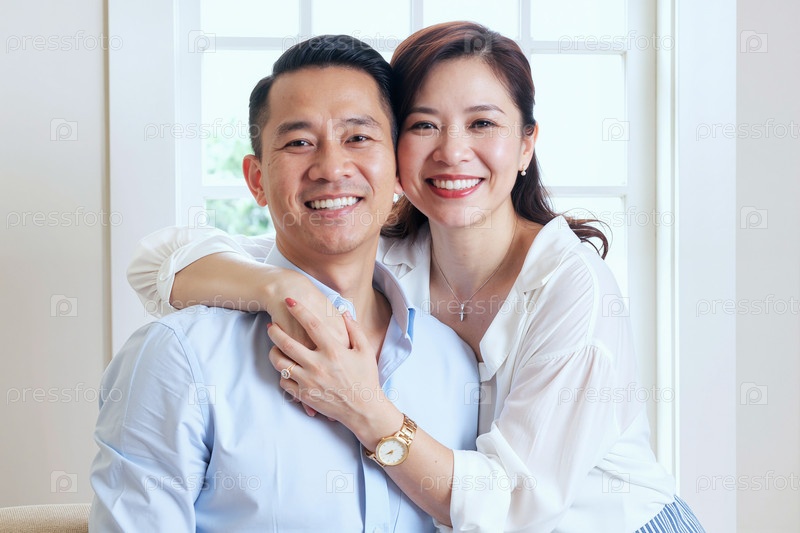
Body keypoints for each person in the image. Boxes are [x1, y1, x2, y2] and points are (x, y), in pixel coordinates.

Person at [128, 22, 706, 533]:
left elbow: (513, 507)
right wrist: (281, 288)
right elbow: (158, 265)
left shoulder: (570, 287)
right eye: (425, 125)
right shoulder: (387, 252)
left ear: (526, 144)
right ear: (397, 150)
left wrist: (363, 405)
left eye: (482, 123)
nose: (452, 152)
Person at [90, 34, 480, 532]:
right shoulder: (180, 358)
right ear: (256, 180)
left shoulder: (455, 363)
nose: (332, 168)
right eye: (299, 142)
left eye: (358, 138)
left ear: (400, 171)